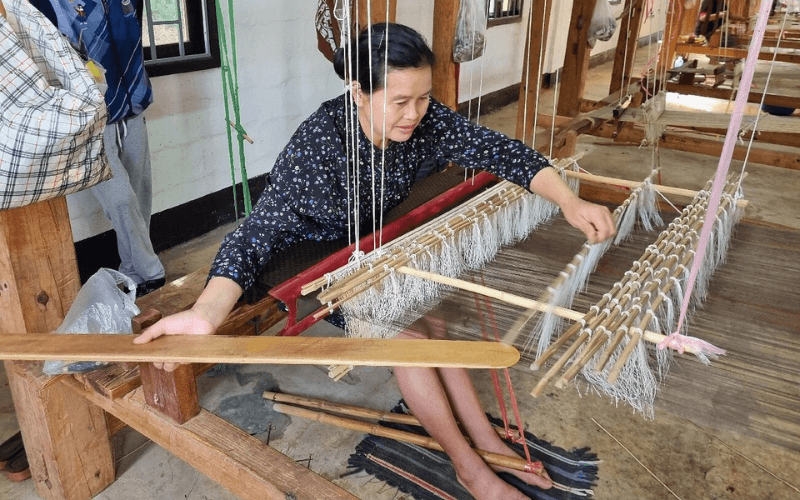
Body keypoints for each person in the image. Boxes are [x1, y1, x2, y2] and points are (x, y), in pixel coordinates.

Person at [134, 23, 615, 500]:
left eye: (424, 98)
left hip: (369, 241)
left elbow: (503, 152)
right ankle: (470, 468)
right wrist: (206, 314)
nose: (415, 114)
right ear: (359, 91)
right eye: (400, 101)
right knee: (407, 336)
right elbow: (252, 238)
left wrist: (569, 202)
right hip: (313, 261)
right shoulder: (320, 149)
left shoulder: (423, 119)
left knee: (438, 323)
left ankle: (490, 442)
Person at [31, 0, 166, 297]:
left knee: (140, 195)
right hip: (88, 116)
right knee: (119, 197)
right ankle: (151, 272)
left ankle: (133, 270)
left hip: (134, 105)